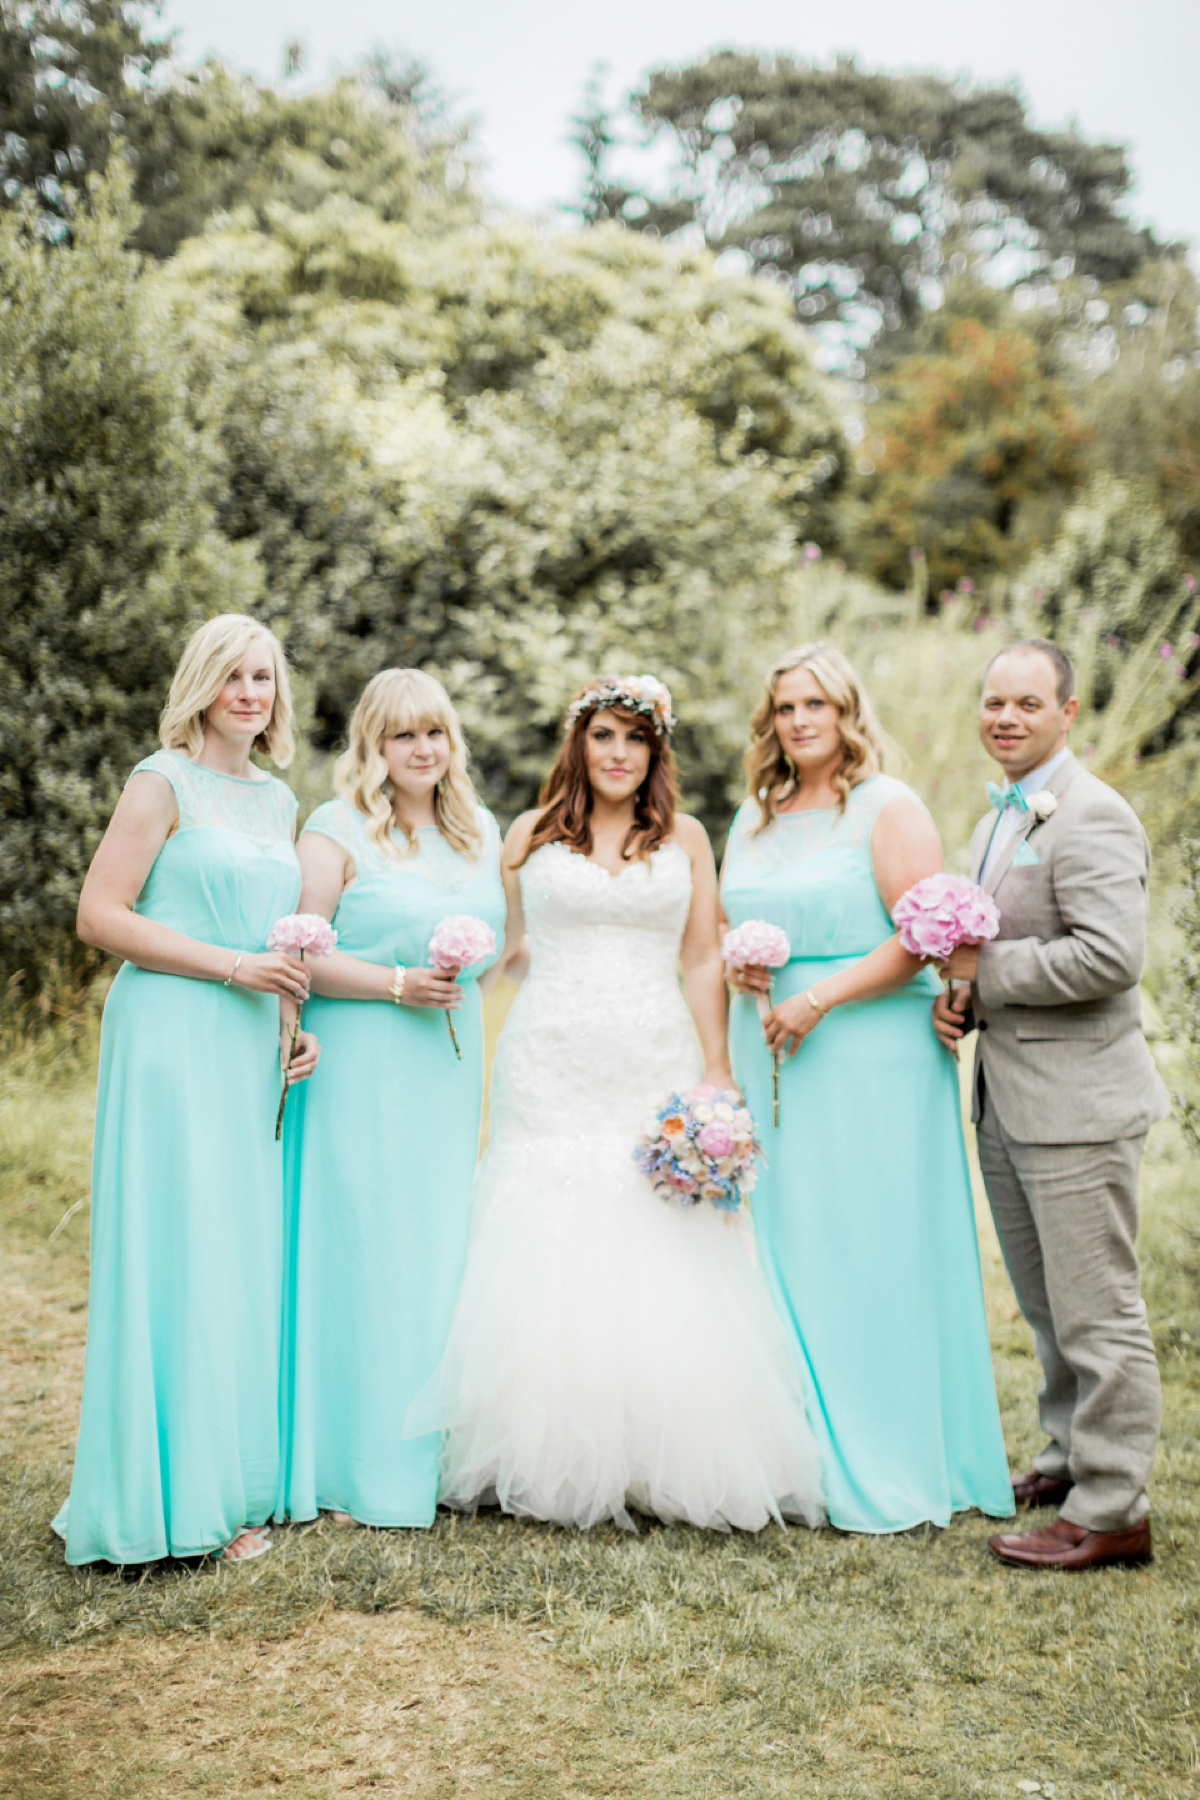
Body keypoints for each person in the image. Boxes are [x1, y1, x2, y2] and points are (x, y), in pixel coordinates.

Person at [413, 675, 825, 1532]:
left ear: (656, 753)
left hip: (652, 1050)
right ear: (580, 742)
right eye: (604, 735)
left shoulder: (686, 837)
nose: (618, 754)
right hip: (550, 1053)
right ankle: (535, 1450)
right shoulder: (528, 834)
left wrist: (716, 1066)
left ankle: (657, 1451)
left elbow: (703, 956)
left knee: (656, 1228)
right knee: (546, 1222)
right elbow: (505, 947)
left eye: (636, 740)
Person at [721, 642, 1013, 1535]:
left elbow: (924, 937)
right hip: (768, 1044)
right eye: (784, 708)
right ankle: (793, 1452)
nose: (799, 722)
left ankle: (886, 1453)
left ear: (848, 713)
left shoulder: (888, 807)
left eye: (816, 704)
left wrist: (819, 996)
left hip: (869, 1051)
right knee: (785, 1243)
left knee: (866, 1246)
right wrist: (750, 976)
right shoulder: (756, 814)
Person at [54, 615, 317, 1566]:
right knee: (177, 1244)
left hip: (250, 1041)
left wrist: (293, 1030)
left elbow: (276, 941)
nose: (252, 693)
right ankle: (148, 1502)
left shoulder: (280, 801)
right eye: (236, 676)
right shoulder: (159, 780)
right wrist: (234, 969)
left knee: (235, 1256)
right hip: (168, 1034)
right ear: (203, 683)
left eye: (266, 678)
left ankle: (221, 1492)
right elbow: (99, 914)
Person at [935, 638, 1169, 1570]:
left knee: (1098, 1313)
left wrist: (984, 972)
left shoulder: (1094, 815)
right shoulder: (1002, 815)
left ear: (1067, 713)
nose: (1006, 718)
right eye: (994, 702)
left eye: (1028, 705)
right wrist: (963, 997)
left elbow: (1112, 959)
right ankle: (1069, 1458)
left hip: (1080, 1106)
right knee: (1046, 1306)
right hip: (1011, 1098)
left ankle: (1113, 1510)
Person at [276, 669, 505, 1529]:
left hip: (446, 1070)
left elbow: (499, 941)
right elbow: (299, 950)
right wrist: (398, 982)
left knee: (435, 1248)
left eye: (436, 732)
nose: (423, 749)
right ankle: (351, 1465)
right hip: (364, 1063)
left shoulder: (477, 830)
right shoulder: (333, 831)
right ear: (373, 744)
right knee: (365, 1247)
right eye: (404, 734)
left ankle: (431, 1457)